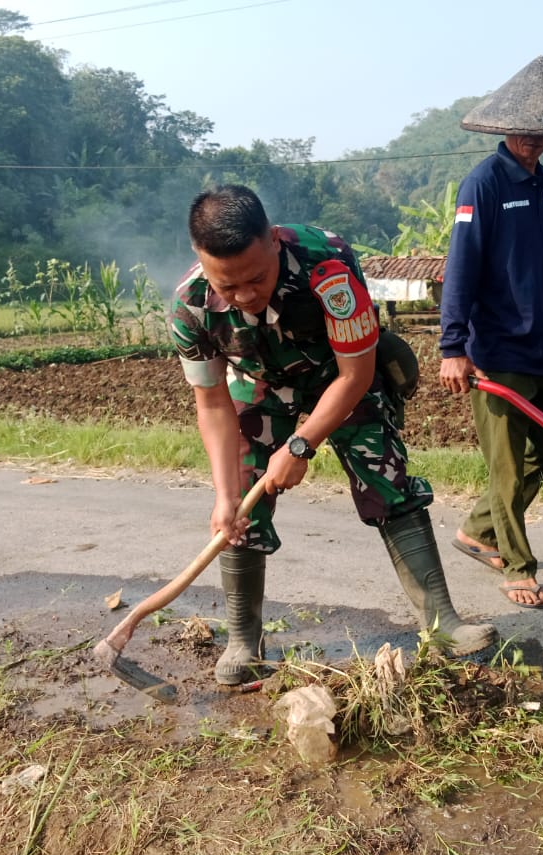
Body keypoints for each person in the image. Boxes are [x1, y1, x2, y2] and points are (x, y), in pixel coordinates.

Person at [170, 184, 497, 684]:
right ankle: (244, 639)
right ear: (201, 260)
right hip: (258, 384)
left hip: (336, 374)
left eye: (256, 279)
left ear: (274, 240)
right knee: (239, 506)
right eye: (228, 287)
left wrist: (300, 445)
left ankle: (442, 623)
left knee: (385, 474)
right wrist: (224, 495)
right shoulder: (191, 305)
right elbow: (212, 404)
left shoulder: (329, 263)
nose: (245, 296)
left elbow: (355, 374)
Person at [439, 56, 543, 610]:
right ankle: (518, 565)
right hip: (496, 349)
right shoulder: (482, 184)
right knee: (506, 467)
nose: (533, 140)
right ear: (505, 127)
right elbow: (460, 267)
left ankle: (479, 530)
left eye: (542, 131)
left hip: (539, 347)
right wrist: (453, 347)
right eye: (524, 130)